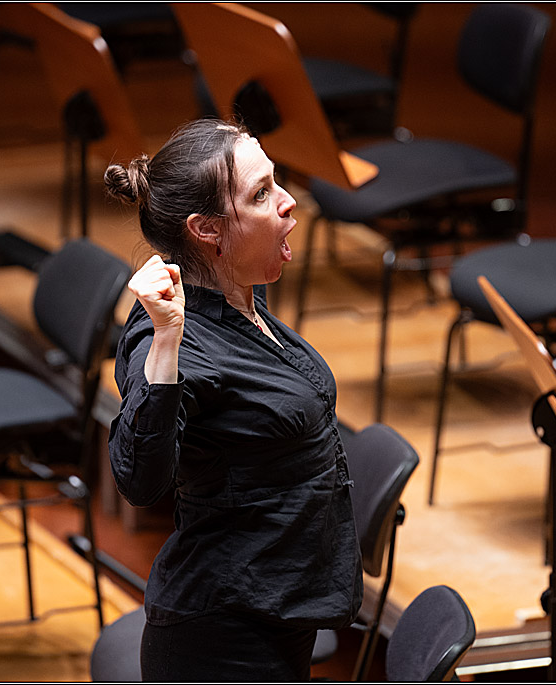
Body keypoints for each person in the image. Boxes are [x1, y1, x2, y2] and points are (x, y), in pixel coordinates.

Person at [104, 119, 362, 682]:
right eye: (261, 194)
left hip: (279, 611)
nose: (290, 203)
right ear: (206, 230)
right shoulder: (169, 338)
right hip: (223, 637)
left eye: (276, 182)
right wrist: (168, 341)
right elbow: (138, 480)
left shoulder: (241, 294)